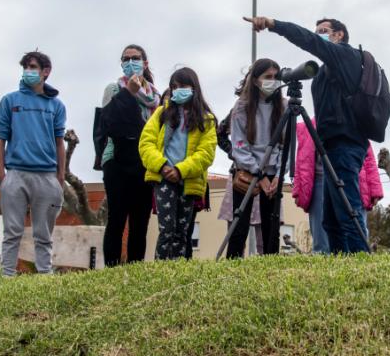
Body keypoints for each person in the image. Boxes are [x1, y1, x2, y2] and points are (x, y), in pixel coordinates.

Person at [245, 15, 370, 253]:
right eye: (318, 31)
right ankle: (340, 265)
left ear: (339, 34)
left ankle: (360, 261)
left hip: (344, 144)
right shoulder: (330, 68)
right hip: (330, 146)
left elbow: (309, 41)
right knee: (330, 220)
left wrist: (274, 24)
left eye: (324, 31)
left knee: (348, 211)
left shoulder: (345, 55)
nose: (319, 35)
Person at [0, 51, 67, 276]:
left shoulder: (57, 105)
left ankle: (45, 275)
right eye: (26, 66)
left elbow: (59, 142)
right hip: (15, 173)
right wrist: (1, 176)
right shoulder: (9, 100)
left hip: (47, 175)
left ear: (46, 71)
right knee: (12, 231)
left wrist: (60, 177)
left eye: (33, 66)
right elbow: (0, 139)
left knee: (43, 233)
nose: (29, 71)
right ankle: (6, 275)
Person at [138, 67, 217, 261]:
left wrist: (181, 170)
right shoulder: (161, 114)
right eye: (174, 86)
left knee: (182, 231)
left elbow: (206, 153)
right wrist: (163, 166)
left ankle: (178, 269)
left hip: (188, 180)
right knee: (167, 229)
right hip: (163, 177)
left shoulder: (206, 120)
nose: (177, 90)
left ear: (194, 87)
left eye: (182, 86)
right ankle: (160, 270)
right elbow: (145, 143)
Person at [96, 44, 161, 266]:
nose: (130, 62)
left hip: (144, 162)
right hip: (117, 160)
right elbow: (108, 122)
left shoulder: (156, 96)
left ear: (145, 63)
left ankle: (135, 270)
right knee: (116, 217)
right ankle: (112, 269)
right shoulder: (114, 89)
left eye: (135, 58)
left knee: (140, 221)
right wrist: (129, 93)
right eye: (125, 59)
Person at [225, 58, 288, 259]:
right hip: (247, 171)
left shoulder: (284, 106)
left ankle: (271, 270)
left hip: (273, 174)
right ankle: (233, 268)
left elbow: (286, 145)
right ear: (255, 80)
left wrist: (278, 174)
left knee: (271, 229)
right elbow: (239, 145)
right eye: (267, 77)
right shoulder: (242, 107)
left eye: (276, 77)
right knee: (239, 227)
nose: (273, 81)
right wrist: (257, 174)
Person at [292, 122, 383, 253]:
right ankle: (324, 266)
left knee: (355, 231)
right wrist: (299, 189)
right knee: (321, 239)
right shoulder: (307, 126)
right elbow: (302, 160)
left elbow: (368, 156)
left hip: (353, 177)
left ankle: (359, 263)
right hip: (318, 180)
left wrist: (375, 188)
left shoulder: (352, 117)